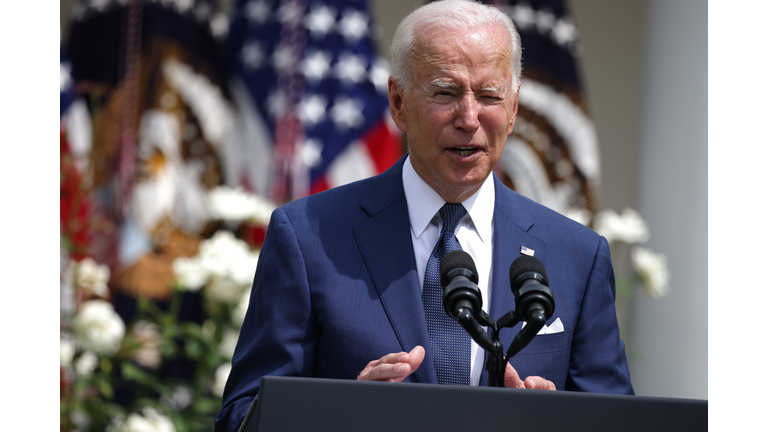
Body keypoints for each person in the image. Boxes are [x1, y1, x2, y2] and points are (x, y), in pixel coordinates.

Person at [215, 0, 633, 430]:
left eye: (489, 95)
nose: (469, 119)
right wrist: (340, 412)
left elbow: (617, 422)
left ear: (513, 109)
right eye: (446, 93)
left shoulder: (578, 257)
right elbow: (240, 419)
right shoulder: (307, 237)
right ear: (398, 102)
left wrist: (557, 423)